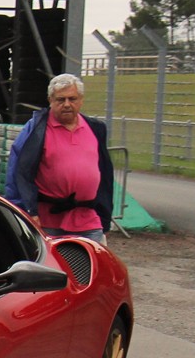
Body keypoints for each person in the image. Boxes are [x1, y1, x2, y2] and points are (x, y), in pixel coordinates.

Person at [7, 74, 115, 243]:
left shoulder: (95, 128)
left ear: (81, 100)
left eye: (72, 99)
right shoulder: (36, 129)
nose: (67, 104)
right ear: (50, 100)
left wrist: (105, 218)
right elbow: (20, 170)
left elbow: (105, 175)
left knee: (93, 268)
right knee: (51, 269)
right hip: (47, 220)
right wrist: (28, 211)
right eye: (60, 99)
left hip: (88, 221)